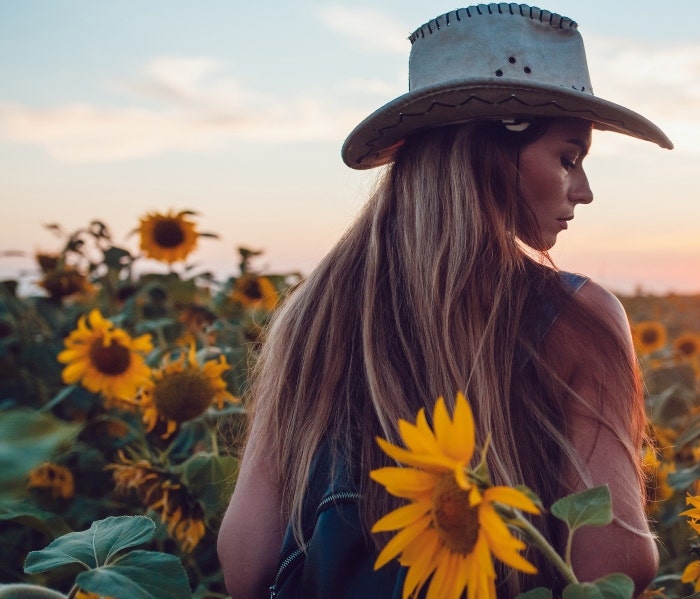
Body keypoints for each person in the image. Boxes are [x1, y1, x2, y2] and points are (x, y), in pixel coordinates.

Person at [217, 4, 673, 598]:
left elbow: (245, 563)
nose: (583, 192)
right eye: (568, 158)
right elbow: (609, 567)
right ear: (492, 145)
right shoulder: (575, 317)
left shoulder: (309, 317)